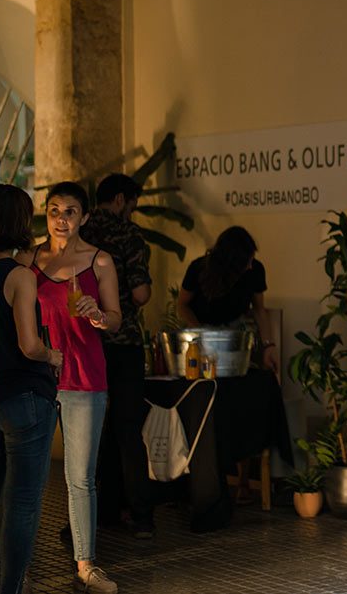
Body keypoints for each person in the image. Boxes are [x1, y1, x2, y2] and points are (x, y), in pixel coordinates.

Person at [30, 181, 122, 594]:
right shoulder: (29, 260)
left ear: (84, 217)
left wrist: (99, 316)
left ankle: (86, 566)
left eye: (70, 211)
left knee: (80, 478)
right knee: (28, 477)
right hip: (37, 378)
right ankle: (20, 566)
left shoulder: (100, 261)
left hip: (85, 377)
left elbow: (116, 319)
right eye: (54, 210)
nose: (61, 219)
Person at [0, 184, 63, 594]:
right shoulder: (20, 277)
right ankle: (12, 587)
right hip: (27, 399)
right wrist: (53, 356)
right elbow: (29, 345)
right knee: (22, 503)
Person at [177, 225, 279, 504]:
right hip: (203, 341)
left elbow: (259, 310)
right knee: (208, 406)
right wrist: (199, 332)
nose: (250, 265)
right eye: (246, 260)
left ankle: (243, 480)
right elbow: (182, 304)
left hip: (237, 341)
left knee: (243, 405)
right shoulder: (199, 269)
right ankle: (205, 479)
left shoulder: (255, 271)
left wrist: (268, 346)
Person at [80, 172, 155, 539]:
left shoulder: (80, 232)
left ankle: (96, 514)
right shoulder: (129, 235)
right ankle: (141, 516)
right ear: (122, 199)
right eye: (133, 204)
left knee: (91, 430)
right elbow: (140, 294)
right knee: (127, 429)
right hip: (122, 341)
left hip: (85, 344)